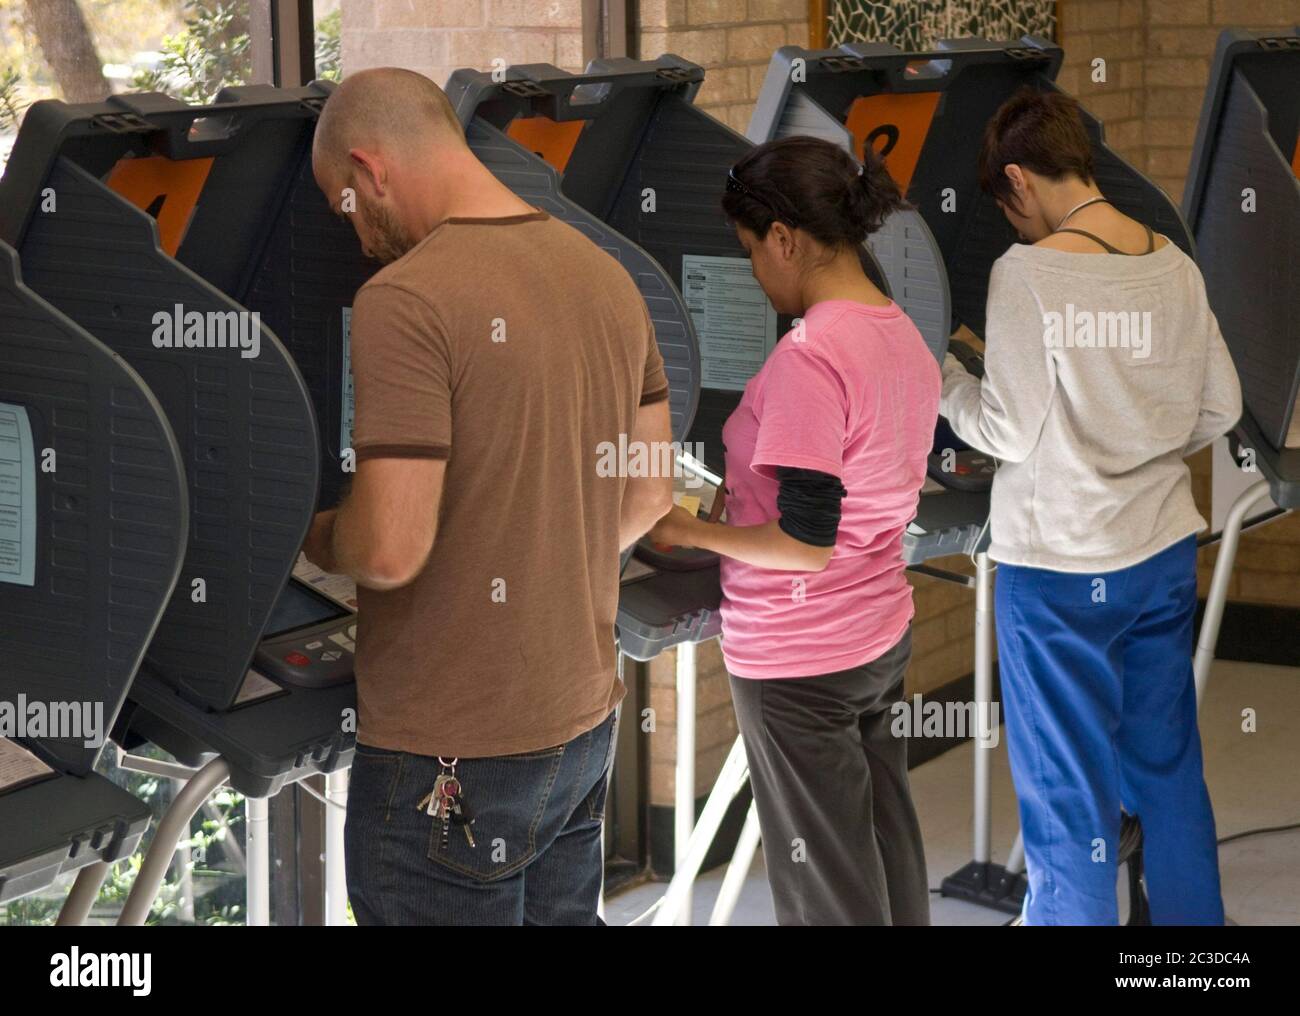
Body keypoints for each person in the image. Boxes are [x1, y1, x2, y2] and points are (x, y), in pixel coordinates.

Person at [303, 68, 673, 925]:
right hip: (580, 729)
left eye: (343, 205)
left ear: (371, 168)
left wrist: (314, 535)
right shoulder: (607, 274)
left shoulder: (405, 299)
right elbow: (649, 493)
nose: (354, 235)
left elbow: (390, 549)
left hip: (450, 759)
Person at [940, 88, 1242, 925]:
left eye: (1007, 209)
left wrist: (947, 376)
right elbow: (1218, 409)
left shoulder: (1028, 273)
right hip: (1160, 557)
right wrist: (1132, 433)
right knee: (1168, 773)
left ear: (1018, 182)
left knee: (1069, 799)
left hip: (1060, 573)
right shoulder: (1172, 266)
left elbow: (1004, 427)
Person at [650, 136, 940, 925]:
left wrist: (688, 530)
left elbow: (808, 538)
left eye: (751, 251)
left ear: (786, 237)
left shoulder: (812, 356)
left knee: (827, 894)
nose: (752, 270)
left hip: (799, 658)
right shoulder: (900, 331)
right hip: (877, 636)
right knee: (884, 851)